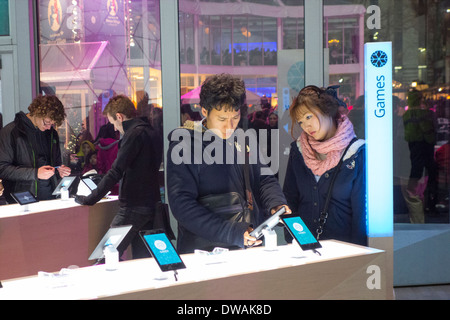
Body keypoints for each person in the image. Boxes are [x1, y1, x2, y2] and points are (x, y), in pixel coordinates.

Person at [167, 73, 290, 254]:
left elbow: (264, 178)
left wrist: (276, 203)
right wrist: (231, 232)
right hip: (204, 250)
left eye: (235, 116)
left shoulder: (243, 139)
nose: (230, 126)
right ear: (204, 111)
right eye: (222, 119)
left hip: (248, 241)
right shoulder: (185, 144)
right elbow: (182, 205)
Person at [75, 95, 162, 260]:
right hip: (151, 205)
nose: (115, 129)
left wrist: (90, 199)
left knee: (106, 256)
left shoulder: (133, 135)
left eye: (114, 123)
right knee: (145, 260)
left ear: (120, 117)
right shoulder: (151, 132)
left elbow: (116, 172)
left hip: (132, 206)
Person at [283, 85, 367, 246]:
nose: (306, 126)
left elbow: (361, 213)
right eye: (300, 121)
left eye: (309, 117)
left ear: (327, 111)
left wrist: (359, 252)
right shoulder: (298, 150)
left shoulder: (356, 152)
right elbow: (290, 198)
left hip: (345, 249)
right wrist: (294, 239)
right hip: (305, 248)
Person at [0, 95, 71, 203]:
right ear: (37, 112)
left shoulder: (51, 134)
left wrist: (59, 171)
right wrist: (35, 173)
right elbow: (3, 169)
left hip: (50, 199)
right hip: (21, 201)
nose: (48, 127)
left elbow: (55, 164)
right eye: (47, 122)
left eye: (52, 124)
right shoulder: (11, 132)